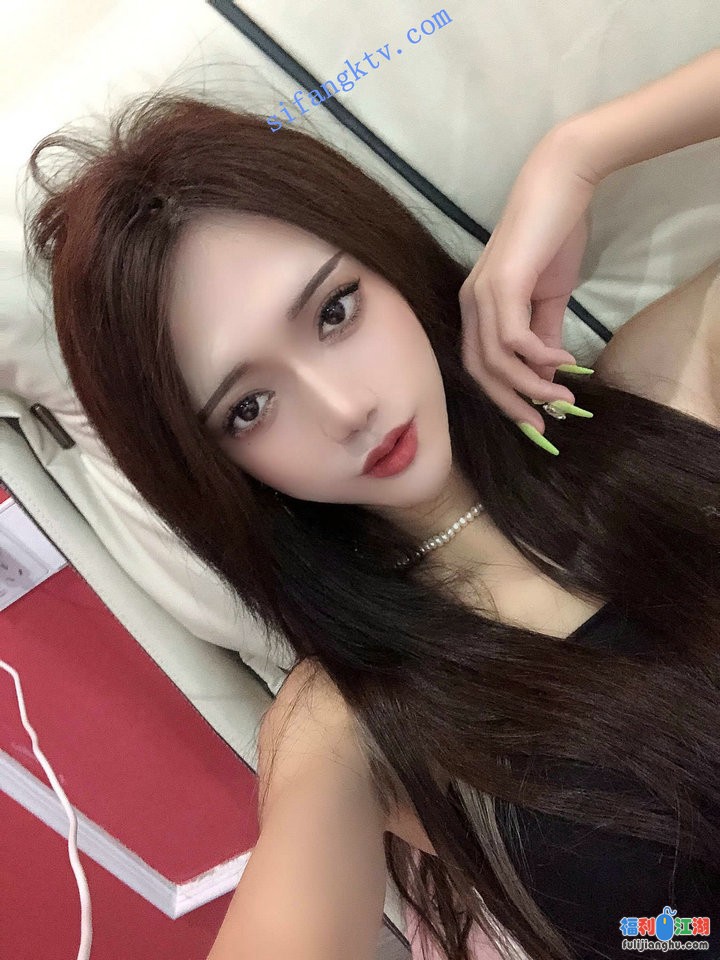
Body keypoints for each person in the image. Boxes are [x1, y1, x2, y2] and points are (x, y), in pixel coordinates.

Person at [21, 46, 720, 960]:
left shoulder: (669, 391)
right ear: (214, 465)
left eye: (335, 311)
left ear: (386, 260)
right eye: (249, 407)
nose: (345, 409)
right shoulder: (351, 721)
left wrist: (581, 152)